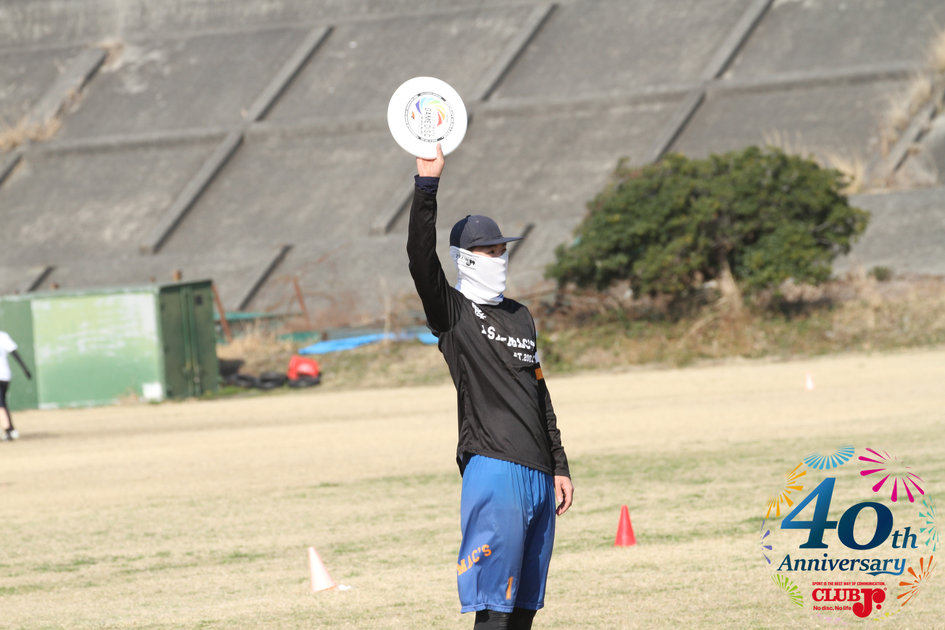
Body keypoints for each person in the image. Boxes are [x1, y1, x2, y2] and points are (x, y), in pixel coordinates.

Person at [406, 144, 573, 630]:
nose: (498, 257)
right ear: (465, 259)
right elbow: (420, 259)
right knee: (494, 610)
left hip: (539, 473)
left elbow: (539, 394)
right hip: (494, 467)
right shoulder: (453, 313)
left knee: (524, 610)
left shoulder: (521, 316)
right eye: (488, 251)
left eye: (502, 250)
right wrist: (427, 185)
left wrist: (559, 464)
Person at [0, 329, 32, 442]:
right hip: (5, 376)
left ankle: (8, 430)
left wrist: (25, 369)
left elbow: (14, 353)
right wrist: (25, 368)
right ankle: (11, 429)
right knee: (3, 403)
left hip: (2, 375)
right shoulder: (3, 336)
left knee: (1, 404)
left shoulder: (3, 336)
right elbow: (14, 353)